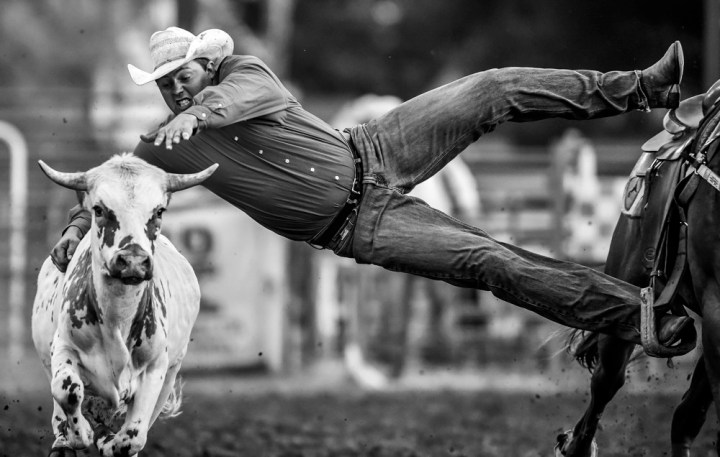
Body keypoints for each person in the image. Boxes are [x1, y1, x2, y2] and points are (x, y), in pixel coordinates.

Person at [52, 26, 694, 355]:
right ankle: (639, 318)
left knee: (493, 87)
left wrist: (201, 112)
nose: (175, 92)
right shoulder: (161, 144)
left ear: (205, 64)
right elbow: (115, 188)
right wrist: (77, 230)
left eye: (181, 77)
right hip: (361, 225)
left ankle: (643, 87)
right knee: (490, 259)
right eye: (165, 87)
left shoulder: (243, 74)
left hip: (376, 145)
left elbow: (245, 96)